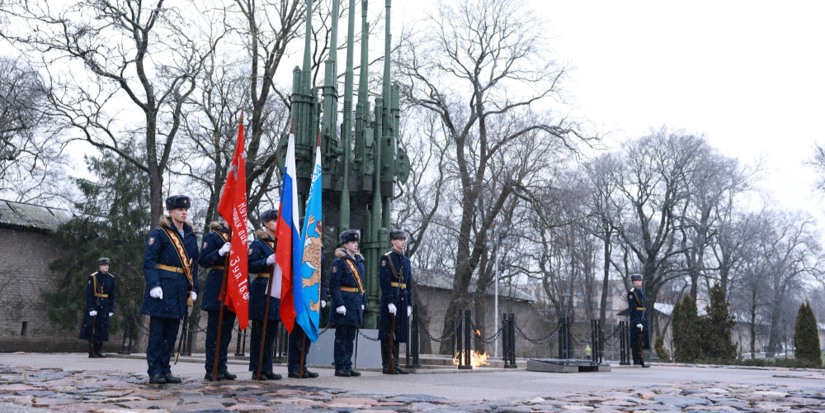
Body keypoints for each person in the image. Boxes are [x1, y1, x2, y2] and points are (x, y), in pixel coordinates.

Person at [140, 195, 200, 384]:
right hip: (163, 287)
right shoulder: (160, 233)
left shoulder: (190, 235)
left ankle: (165, 369)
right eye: (180, 210)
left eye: (186, 209)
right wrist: (154, 284)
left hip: (180, 288)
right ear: (171, 212)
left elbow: (193, 265)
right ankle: (154, 370)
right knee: (157, 332)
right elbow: (149, 262)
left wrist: (194, 288)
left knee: (171, 333)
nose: (184, 212)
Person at [198, 219, 237, 381]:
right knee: (215, 333)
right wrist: (219, 253)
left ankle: (221, 366)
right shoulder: (212, 237)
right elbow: (203, 260)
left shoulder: (237, 238)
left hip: (232, 286)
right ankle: (211, 368)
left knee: (226, 332)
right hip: (217, 285)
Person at [287, 218, 326, 379]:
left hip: (312, 293)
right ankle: (294, 367)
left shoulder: (318, 248)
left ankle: (302, 365)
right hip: (298, 292)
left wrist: (322, 295)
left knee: (307, 332)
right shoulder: (295, 245)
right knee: (297, 332)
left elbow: (321, 275)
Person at [247, 209, 282, 380]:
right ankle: (257, 368)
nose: (277, 223)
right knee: (259, 333)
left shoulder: (281, 243)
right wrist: (265, 261)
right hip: (262, 288)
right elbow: (250, 265)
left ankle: (267, 367)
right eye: (274, 221)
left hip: (276, 289)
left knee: (271, 333)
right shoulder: (258, 244)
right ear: (266, 223)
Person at [329, 229, 367, 377]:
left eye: (357, 242)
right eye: (352, 242)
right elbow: (334, 285)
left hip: (355, 302)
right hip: (344, 302)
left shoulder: (359, 261)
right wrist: (339, 304)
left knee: (350, 337)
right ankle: (340, 367)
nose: (356, 245)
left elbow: (362, 284)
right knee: (341, 337)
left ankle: (348, 364)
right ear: (345, 245)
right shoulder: (339, 262)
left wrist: (363, 300)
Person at [378, 230, 412, 374]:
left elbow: (408, 283)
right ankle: (387, 363)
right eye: (399, 239)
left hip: (402, 298)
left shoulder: (406, 261)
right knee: (387, 332)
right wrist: (389, 302)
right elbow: (385, 281)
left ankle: (396, 362)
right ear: (393, 241)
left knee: (397, 331)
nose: (403, 242)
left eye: (404, 239)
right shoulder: (386, 258)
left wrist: (409, 303)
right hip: (391, 298)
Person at [78, 257, 115, 358]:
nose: (106, 267)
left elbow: (112, 294)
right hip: (95, 305)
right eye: (104, 265)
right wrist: (91, 308)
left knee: (102, 329)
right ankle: (92, 350)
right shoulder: (93, 277)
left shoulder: (111, 278)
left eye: (107, 265)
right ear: (100, 266)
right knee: (93, 329)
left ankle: (99, 349)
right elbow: (89, 294)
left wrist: (111, 308)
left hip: (105, 306)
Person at [628, 275, 650, 366]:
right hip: (636, 319)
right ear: (634, 282)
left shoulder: (642, 293)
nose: (641, 282)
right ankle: (636, 360)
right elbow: (633, 309)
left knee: (643, 340)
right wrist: (637, 322)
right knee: (636, 340)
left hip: (643, 318)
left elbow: (644, 307)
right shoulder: (632, 293)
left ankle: (642, 359)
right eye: (639, 280)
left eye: (641, 280)